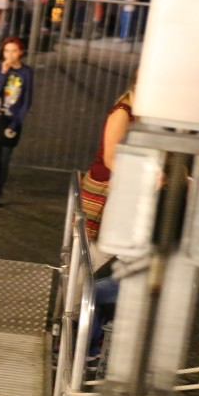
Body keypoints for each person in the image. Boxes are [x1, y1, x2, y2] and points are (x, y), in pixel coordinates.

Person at [81, 84, 136, 360]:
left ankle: (92, 340)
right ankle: (83, 340)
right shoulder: (123, 113)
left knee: (107, 269)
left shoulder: (142, 117)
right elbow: (112, 158)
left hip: (122, 198)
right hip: (105, 197)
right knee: (97, 268)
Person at [0, 36, 33, 208]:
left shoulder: (26, 72)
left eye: (14, 51)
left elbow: (26, 100)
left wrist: (16, 123)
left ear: (20, 52)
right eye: (6, 51)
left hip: (12, 121)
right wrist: (3, 72)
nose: (9, 54)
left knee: (4, 161)